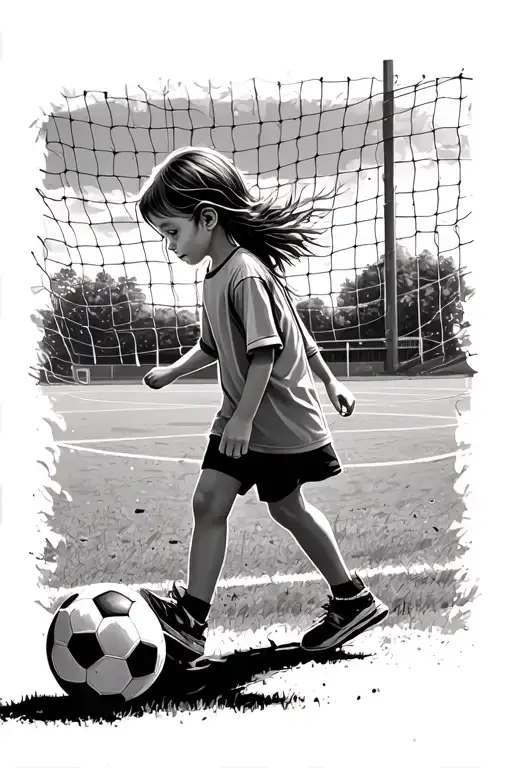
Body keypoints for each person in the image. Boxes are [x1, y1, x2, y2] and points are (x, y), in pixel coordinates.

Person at [137, 146, 388, 663]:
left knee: (276, 506)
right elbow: (213, 345)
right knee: (240, 505)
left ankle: (343, 598)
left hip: (269, 419)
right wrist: (171, 372)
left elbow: (268, 349)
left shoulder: (245, 272)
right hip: (245, 415)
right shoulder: (215, 274)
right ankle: (345, 600)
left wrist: (247, 418)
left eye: (172, 232)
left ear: (207, 217)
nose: (169, 246)